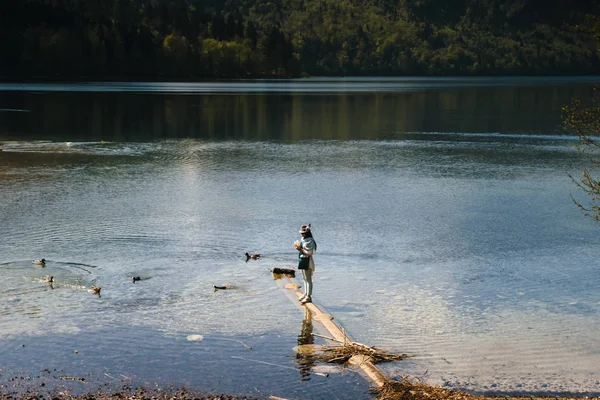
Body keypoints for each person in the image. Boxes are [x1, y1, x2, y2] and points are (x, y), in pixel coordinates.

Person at [294, 223, 317, 304]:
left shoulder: (310, 241)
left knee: (308, 279)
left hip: (308, 261)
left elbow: (309, 253)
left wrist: (301, 249)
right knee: (304, 278)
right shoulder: (303, 239)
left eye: (303, 233)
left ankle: (309, 296)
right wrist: (299, 249)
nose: (302, 234)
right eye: (301, 233)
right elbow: (303, 249)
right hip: (302, 260)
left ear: (307, 233)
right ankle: (305, 293)